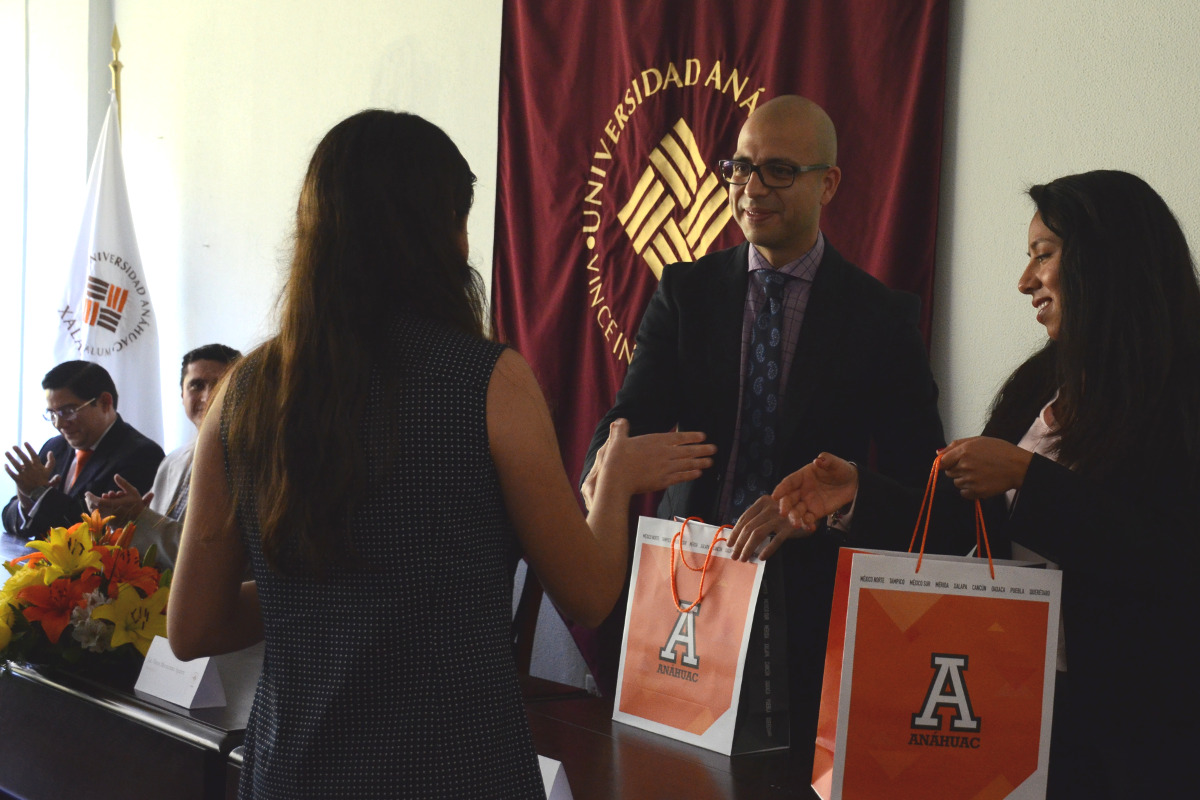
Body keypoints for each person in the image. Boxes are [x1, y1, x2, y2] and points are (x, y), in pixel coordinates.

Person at [166, 110, 714, 799]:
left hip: (295, 770)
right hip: (455, 768)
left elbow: (193, 627)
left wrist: (317, 596)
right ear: (436, 234)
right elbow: (590, 594)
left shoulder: (244, 390)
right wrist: (617, 481)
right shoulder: (486, 380)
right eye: (460, 219)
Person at [770, 170, 1200, 799]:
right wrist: (858, 493)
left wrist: (1029, 477)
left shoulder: (1181, 398)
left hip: (1127, 736)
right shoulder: (1038, 384)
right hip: (1007, 703)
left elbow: (1170, 559)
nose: (1025, 281)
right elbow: (958, 528)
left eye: (1043, 255)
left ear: (1106, 261)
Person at [581, 95, 947, 767]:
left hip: (811, 615)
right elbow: (622, 427)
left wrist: (843, 500)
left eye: (779, 170)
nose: (752, 188)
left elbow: (923, 485)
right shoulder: (686, 293)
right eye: (740, 167)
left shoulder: (880, 317)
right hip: (686, 598)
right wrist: (612, 466)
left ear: (827, 184)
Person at [87, 344, 242, 568]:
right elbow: (153, 538)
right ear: (182, 395)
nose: (208, 396)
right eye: (197, 385)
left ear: (243, 394)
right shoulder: (172, 461)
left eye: (221, 385)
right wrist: (122, 516)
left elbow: (215, 557)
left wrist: (139, 517)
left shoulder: (256, 464)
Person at [3, 361, 163, 538]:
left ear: (105, 402)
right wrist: (26, 498)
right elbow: (11, 519)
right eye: (52, 414)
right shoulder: (54, 448)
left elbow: (97, 531)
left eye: (68, 411)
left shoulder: (142, 455)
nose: (59, 424)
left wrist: (39, 493)